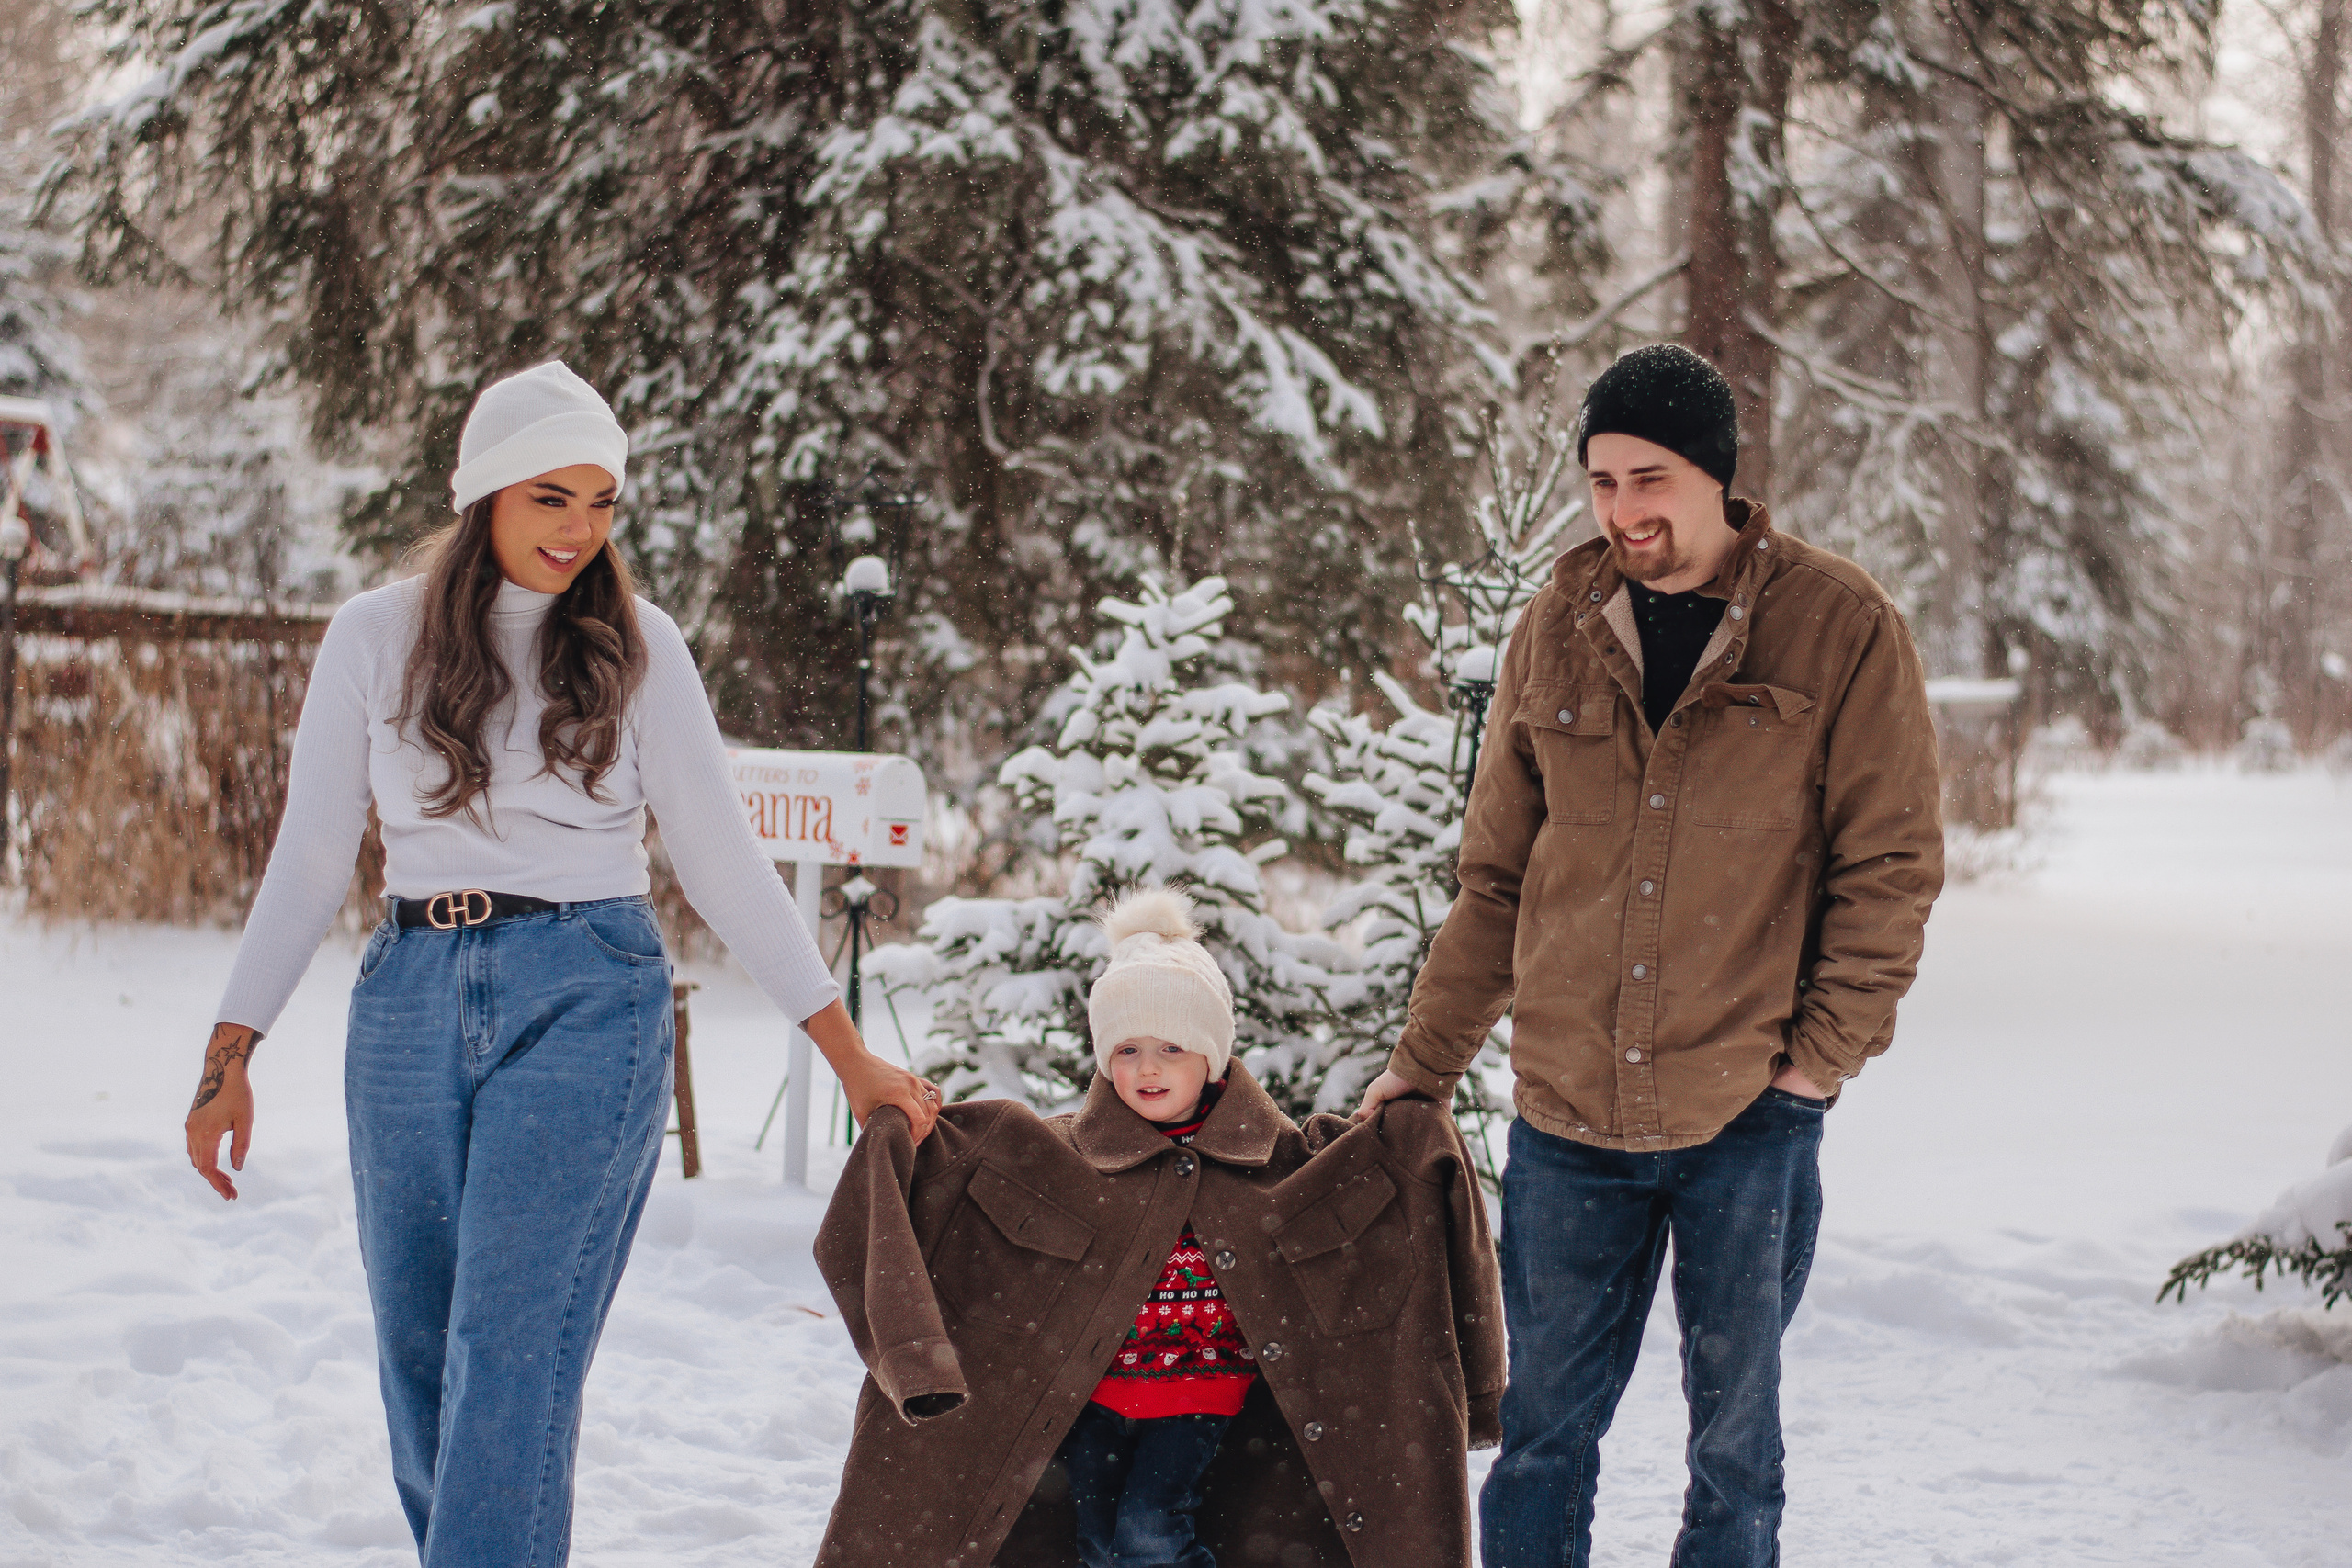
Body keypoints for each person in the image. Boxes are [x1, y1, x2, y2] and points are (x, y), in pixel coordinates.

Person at [179, 361, 939, 1568]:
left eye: (603, 500)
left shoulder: (642, 650)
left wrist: (846, 1056)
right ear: (484, 495)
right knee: (423, 1351)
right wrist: (231, 1051)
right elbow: (312, 856)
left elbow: (724, 862)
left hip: (586, 993)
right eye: (552, 496)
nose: (581, 529)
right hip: (409, 995)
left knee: (511, 1348)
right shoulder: (373, 637)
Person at [1356, 343, 1946, 1567]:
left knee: (1735, 1447)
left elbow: (1888, 869)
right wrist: (1421, 1065)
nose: (1623, 509)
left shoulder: (1839, 628)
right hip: (1570, 1113)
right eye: (1603, 480)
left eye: (1650, 477)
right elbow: (1496, 879)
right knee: (1543, 1432)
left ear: (1719, 478)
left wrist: (1816, 1063)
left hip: (1749, 1115)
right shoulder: (1556, 627)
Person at [813, 886, 1505, 1568]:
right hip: (1101, 1403)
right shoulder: (1043, 1155)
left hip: (1195, 1398)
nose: (1146, 1067)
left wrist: (1478, 1390)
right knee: (1095, 1542)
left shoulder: (1288, 1165)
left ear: (1212, 1055)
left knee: (1149, 1533)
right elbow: (882, 1202)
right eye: (1126, 1049)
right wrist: (914, 1358)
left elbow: (1408, 1185)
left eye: (1171, 1047)